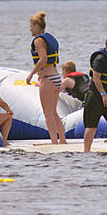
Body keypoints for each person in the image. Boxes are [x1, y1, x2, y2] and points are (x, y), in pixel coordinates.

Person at [26, 11, 67, 145]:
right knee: (54, 112)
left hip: (47, 79)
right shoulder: (50, 38)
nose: (30, 29)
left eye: (31, 26)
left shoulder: (38, 40)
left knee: (47, 113)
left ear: (37, 26)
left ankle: (54, 142)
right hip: (56, 77)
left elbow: (43, 59)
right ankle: (62, 140)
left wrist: (32, 73)